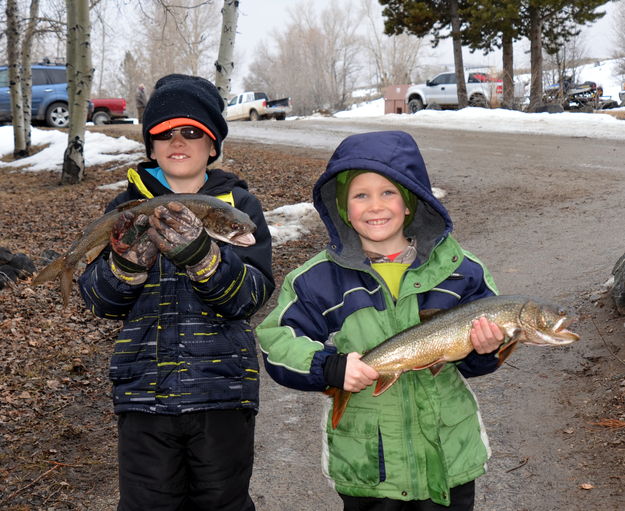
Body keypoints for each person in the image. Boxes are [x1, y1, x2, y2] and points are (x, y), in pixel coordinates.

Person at [255, 130, 504, 510]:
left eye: (388, 192)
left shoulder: (461, 271)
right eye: (360, 195)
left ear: (410, 202)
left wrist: (486, 350)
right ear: (342, 208)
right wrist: (330, 367)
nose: (375, 206)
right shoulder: (315, 280)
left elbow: (473, 361)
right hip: (369, 465)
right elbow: (276, 341)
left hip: (449, 457)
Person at [78, 73, 274, 511]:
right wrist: (126, 265)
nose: (177, 140)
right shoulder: (125, 209)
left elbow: (252, 295)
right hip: (142, 395)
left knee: (223, 502)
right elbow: (99, 300)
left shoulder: (240, 208)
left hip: (221, 393)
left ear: (212, 144)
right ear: (150, 146)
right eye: (164, 133)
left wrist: (205, 258)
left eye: (191, 131)